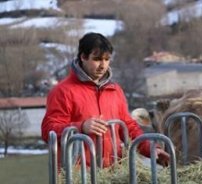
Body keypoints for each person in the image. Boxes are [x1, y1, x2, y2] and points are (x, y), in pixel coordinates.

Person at [41, 32, 170, 168]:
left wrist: (150, 149)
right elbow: (48, 132)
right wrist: (81, 127)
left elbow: (128, 126)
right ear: (83, 57)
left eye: (107, 59)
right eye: (97, 59)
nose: (103, 65)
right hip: (79, 179)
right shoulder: (62, 91)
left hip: (114, 175)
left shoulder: (115, 90)